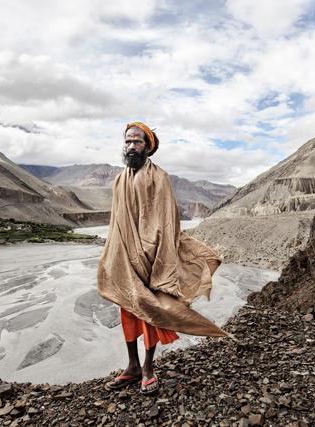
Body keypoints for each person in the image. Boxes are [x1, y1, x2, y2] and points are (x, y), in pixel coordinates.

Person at [97, 121, 228, 395]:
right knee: (128, 310)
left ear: (148, 147)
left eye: (137, 142)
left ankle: (147, 368)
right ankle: (131, 365)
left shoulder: (159, 178)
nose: (131, 146)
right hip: (124, 257)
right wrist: (113, 253)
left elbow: (166, 222)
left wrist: (152, 254)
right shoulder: (120, 180)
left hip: (150, 256)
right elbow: (116, 221)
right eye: (128, 141)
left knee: (151, 312)